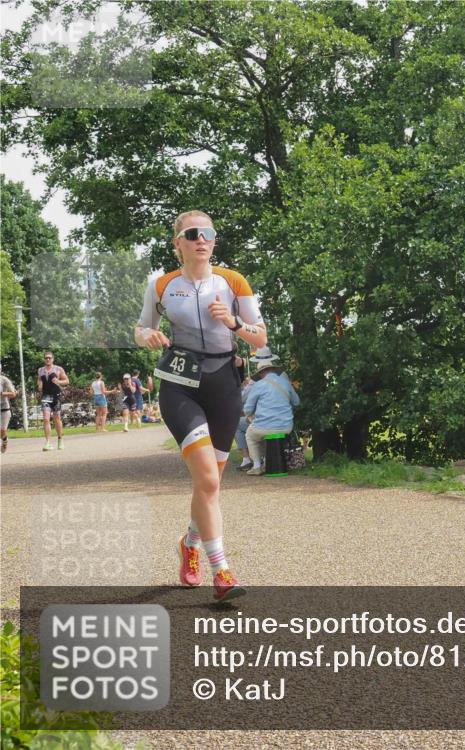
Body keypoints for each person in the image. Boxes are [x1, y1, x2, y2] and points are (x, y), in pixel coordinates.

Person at [135, 210, 267, 602]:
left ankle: (189, 542)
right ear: (178, 243)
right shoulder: (162, 285)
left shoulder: (233, 281)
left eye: (208, 233)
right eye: (192, 234)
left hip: (223, 384)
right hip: (180, 385)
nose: (201, 240)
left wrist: (233, 323)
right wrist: (148, 336)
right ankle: (221, 571)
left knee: (209, 483)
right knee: (208, 480)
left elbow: (260, 338)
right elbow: (141, 328)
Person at [243, 347, 299, 476]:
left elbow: (248, 409)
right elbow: (296, 402)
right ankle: (267, 462)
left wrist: (250, 416)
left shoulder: (258, 385)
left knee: (250, 435)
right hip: (286, 426)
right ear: (273, 369)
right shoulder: (285, 382)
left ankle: (257, 466)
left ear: (261, 373)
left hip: (263, 427)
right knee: (262, 433)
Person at [36, 352, 69, 451]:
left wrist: (59, 381)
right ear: (44, 359)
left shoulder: (58, 369)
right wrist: (39, 385)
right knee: (46, 419)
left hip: (56, 397)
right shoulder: (40, 370)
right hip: (45, 396)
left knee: (57, 418)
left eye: (49, 358)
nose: (48, 359)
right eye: (46, 358)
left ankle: (60, 439)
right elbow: (39, 381)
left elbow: (67, 381)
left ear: (53, 359)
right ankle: (48, 442)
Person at [1, 365, 17, 454]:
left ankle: (5, 440)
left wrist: (2, 393)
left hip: (4, 408)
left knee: (2, 430)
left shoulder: (4, 380)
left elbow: (13, 393)